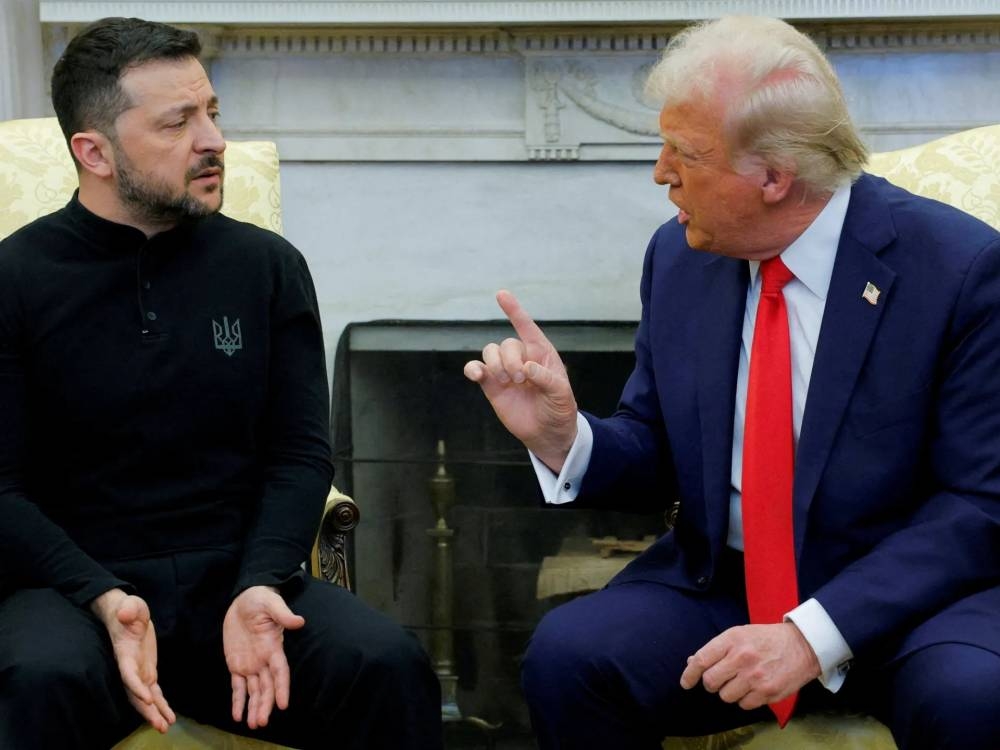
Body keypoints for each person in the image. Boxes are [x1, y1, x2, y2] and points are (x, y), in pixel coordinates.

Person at [464, 15, 1000, 750]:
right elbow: (656, 444)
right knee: (572, 658)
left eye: (685, 153)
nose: (661, 172)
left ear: (774, 177)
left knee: (972, 700)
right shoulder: (681, 257)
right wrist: (565, 438)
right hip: (731, 585)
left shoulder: (961, 270)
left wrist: (809, 636)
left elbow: (978, 506)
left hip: (912, 606)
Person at [0, 17, 442, 750]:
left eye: (212, 112)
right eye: (178, 123)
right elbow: (3, 487)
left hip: (236, 587)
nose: (213, 141)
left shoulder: (266, 266)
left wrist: (260, 581)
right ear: (94, 152)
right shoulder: (14, 279)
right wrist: (102, 596)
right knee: (36, 679)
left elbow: (300, 455)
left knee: (384, 664)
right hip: (77, 596)